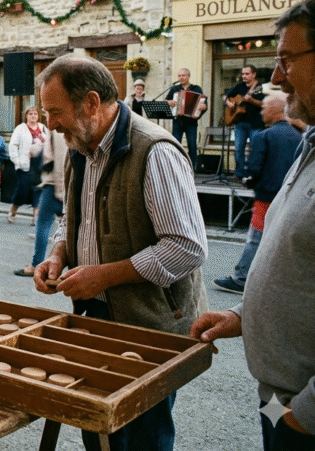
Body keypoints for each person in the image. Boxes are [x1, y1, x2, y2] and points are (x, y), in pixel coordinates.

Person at [31, 55, 207, 451]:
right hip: (98, 315)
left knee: (144, 435)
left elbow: (187, 247)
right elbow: (72, 217)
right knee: (98, 427)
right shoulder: (81, 143)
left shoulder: (155, 150)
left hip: (151, 324)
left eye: (55, 112)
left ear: (91, 103)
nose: (50, 123)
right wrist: (59, 252)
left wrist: (104, 275)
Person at [191, 0, 315, 451]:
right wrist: (243, 315)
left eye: (285, 59)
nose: (276, 79)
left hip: (303, 412)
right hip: (279, 397)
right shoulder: (310, 143)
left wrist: (303, 415)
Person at [213, 91, 301, 294]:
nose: (261, 112)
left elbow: (254, 168)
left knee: (255, 238)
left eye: (263, 108)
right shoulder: (297, 136)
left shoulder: (264, 135)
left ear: (274, 110)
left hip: (266, 196)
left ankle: (241, 278)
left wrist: (247, 179)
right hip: (288, 196)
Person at [15, 128, 68, 277]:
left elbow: (59, 158)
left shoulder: (58, 129)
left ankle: (37, 264)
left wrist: (60, 190)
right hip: (63, 185)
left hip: (54, 185)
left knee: (43, 225)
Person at [225, 64, 266, 179]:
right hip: (240, 122)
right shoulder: (240, 86)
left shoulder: (260, 87)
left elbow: (264, 104)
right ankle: (239, 173)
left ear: (254, 74)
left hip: (256, 123)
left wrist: (252, 100)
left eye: (247, 74)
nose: (244, 76)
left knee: (255, 149)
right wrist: (228, 102)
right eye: (243, 74)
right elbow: (226, 96)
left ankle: (253, 174)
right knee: (238, 149)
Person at [8, 106, 46, 224]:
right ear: (26, 116)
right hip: (24, 164)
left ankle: (36, 217)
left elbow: (48, 142)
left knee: (38, 190)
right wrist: (16, 160)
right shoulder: (21, 128)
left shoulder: (43, 128)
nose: (33, 116)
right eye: (30, 114)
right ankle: (13, 211)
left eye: (35, 114)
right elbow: (13, 145)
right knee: (22, 190)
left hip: (39, 165)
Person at [165, 69, 207, 170]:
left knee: (192, 145)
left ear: (188, 76)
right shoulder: (174, 89)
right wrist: (169, 102)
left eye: (183, 75)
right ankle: (176, 167)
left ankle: (192, 168)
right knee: (176, 145)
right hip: (177, 121)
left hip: (191, 122)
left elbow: (203, 103)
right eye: (179, 76)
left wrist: (203, 107)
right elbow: (166, 100)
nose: (181, 78)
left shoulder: (196, 88)